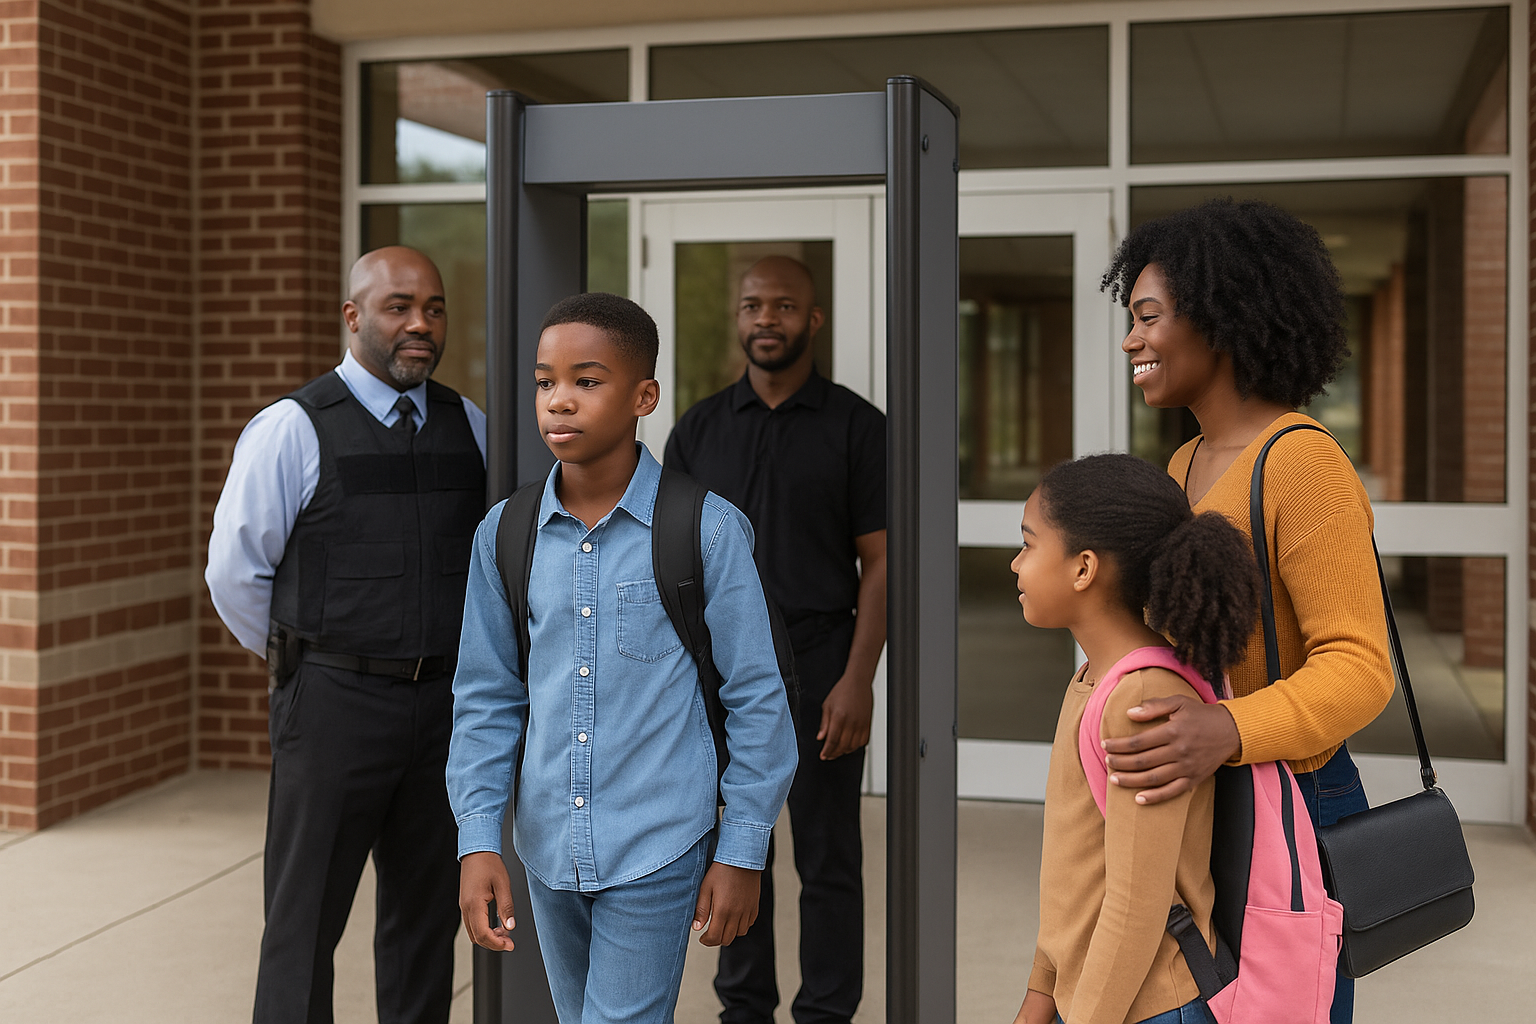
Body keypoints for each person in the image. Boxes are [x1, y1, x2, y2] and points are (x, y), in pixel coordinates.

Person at [449, 292, 798, 1024]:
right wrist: (478, 841)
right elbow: (486, 698)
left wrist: (742, 849)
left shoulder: (706, 529)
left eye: (587, 380)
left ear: (644, 396)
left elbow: (758, 698)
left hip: (659, 841)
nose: (560, 402)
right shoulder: (504, 535)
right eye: (546, 382)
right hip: (546, 846)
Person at [1100, 198, 1396, 1024]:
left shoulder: (1303, 464)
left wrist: (1227, 731)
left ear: (1220, 320)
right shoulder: (1187, 460)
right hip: (1201, 796)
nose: (1132, 339)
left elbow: (1360, 667)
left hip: (1291, 803)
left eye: (1148, 316)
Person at [206, 246, 485, 1024]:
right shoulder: (291, 429)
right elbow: (234, 574)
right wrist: (308, 658)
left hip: (442, 712)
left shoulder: (472, 425)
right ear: (354, 317)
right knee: (302, 927)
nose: (419, 324)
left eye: (433, 307)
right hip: (331, 707)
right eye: (398, 307)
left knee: (424, 924)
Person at [664, 255, 887, 1024]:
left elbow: (882, 559)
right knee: (731, 847)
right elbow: (672, 561)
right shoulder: (696, 429)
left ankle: (826, 1011)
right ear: (738, 317)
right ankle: (743, 1008)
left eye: (784, 306)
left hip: (822, 659)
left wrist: (859, 678)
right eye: (754, 305)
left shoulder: (859, 427)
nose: (767, 319)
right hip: (720, 672)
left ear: (812, 320)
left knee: (828, 858)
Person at [1009, 453, 1260, 1024]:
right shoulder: (1096, 677)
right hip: (1104, 1001)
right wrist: (1040, 996)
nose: (1016, 564)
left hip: (1149, 1005)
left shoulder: (1142, 697)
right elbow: (1075, 876)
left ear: (1083, 568)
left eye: (1029, 544)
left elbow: (1135, 907)